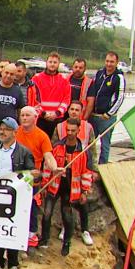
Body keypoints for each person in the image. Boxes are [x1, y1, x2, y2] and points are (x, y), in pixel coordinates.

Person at [0, 117, 34, 269]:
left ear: (14, 132)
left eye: (6, 129)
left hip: (15, 200)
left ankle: (13, 265)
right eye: (0, 128)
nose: (2, 131)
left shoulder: (24, 152)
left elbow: (30, 174)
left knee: (12, 232)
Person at [39, 118, 93, 257]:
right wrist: (44, 184)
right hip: (54, 185)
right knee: (47, 214)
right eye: (68, 130)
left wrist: (84, 191)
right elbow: (47, 166)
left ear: (78, 131)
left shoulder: (83, 152)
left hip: (70, 189)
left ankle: (67, 243)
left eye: (73, 131)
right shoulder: (57, 147)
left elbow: (86, 172)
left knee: (67, 217)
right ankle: (44, 240)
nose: (69, 133)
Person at [52, 101, 96, 246]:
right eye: (72, 109)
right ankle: (66, 227)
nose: (74, 112)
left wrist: (93, 169)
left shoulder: (88, 128)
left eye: (77, 109)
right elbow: (53, 147)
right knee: (66, 203)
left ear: (81, 111)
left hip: (81, 170)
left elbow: (92, 150)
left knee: (82, 203)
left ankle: (85, 230)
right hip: (64, 172)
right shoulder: (59, 127)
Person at [15, 106, 58, 250]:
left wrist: (54, 168)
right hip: (15, 176)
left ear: (35, 118)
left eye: (27, 115)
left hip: (32, 178)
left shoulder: (42, 136)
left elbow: (48, 156)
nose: (24, 118)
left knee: (31, 206)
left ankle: (31, 234)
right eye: (22, 115)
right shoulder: (15, 132)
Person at [86, 51, 126, 164]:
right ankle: (89, 165)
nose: (109, 64)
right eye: (107, 61)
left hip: (106, 118)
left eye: (112, 62)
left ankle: (103, 167)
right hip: (93, 115)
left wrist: (109, 113)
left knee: (105, 144)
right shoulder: (99, 73)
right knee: (89, 143)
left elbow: (120, 97)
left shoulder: (119, 77)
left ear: (116, 62)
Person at [31, 52, 70, 138]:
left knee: (55, 145)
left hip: (58, 118)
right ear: (46, 62)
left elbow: (66, 99)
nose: (52, 64)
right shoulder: (36, 78)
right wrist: (43, 113)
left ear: (59, 64)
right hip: (40, 118)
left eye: (55, 62)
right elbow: (34, 98)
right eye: (50, 62)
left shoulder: (64, 80)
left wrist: (57, 113)